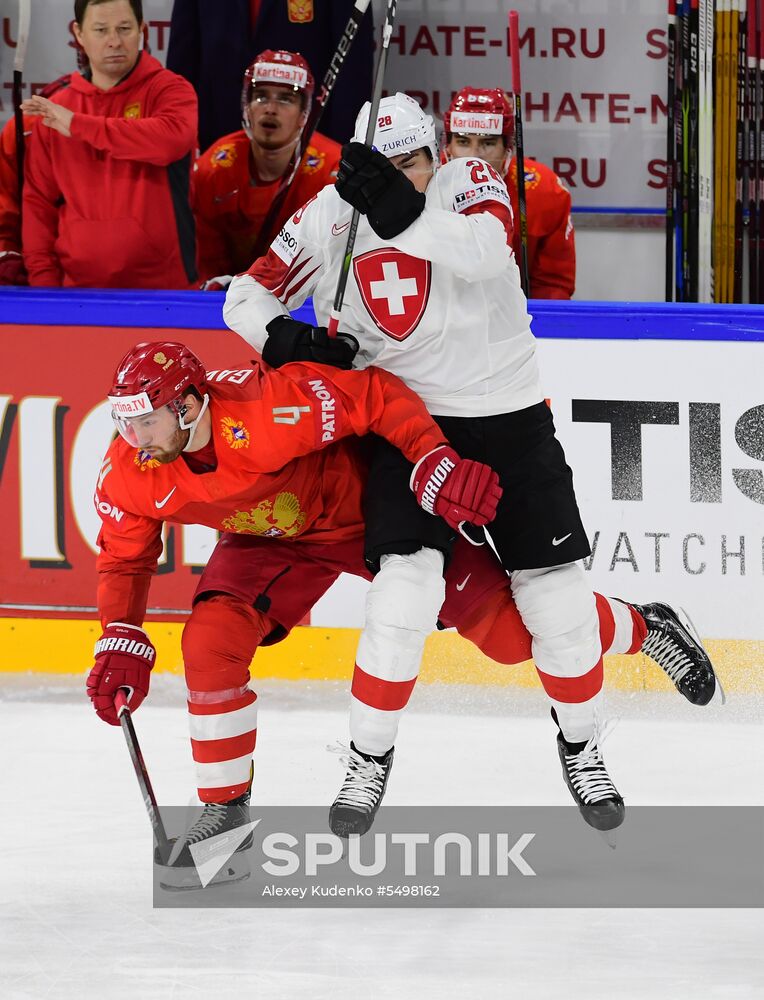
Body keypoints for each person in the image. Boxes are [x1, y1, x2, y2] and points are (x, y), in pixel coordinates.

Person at [223, 93, 718, 837]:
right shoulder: (330, 214)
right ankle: (367, 757)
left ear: (437, 154)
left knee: (556, 608)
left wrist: (397, 207)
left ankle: (583, 745)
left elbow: (484, 251)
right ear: (358, 166)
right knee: (403, 593)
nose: (406, 175)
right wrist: (291, 342)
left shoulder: (469, 184)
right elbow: (243, 298)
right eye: (387, 166)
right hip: (407, 425)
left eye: (414, 161)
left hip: (509, 417)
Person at [19, 0, 198, 289]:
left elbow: (170, 141)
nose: (114, 41)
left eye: (124, 29)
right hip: (76, 290)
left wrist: (78, 125)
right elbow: (38, 204)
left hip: (163, 289)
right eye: (101, 30)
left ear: (142, 30)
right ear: (79, 33)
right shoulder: (57, 109)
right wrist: (44, 284)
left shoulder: (170, 89)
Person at [192, 50, 341, 284]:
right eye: (261, 96)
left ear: (304, 114)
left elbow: (338, 266)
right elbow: (205, 265)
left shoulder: (332, 170)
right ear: (246, 106)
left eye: (286, 99)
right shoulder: (213, 169)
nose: (270, 108)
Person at [166, 0, 373, 154]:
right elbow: (183, 58)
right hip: (217, 135)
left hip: (309, 143)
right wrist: (182, 139)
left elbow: (352, 67)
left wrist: (344, 150)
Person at [443, 87, 575, 300]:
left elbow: (552, 286)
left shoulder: (544, 190)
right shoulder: (424, 184)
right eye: (463, 142)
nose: (474, 156)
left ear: (507, 149)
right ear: (448, 146)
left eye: (488, 142)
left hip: (514, 312)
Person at [0, 75, 72, 286]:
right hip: (35, 268)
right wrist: (6, 254)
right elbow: (5, 202)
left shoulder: (131, 125)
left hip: (112, 268)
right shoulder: (23, 128)